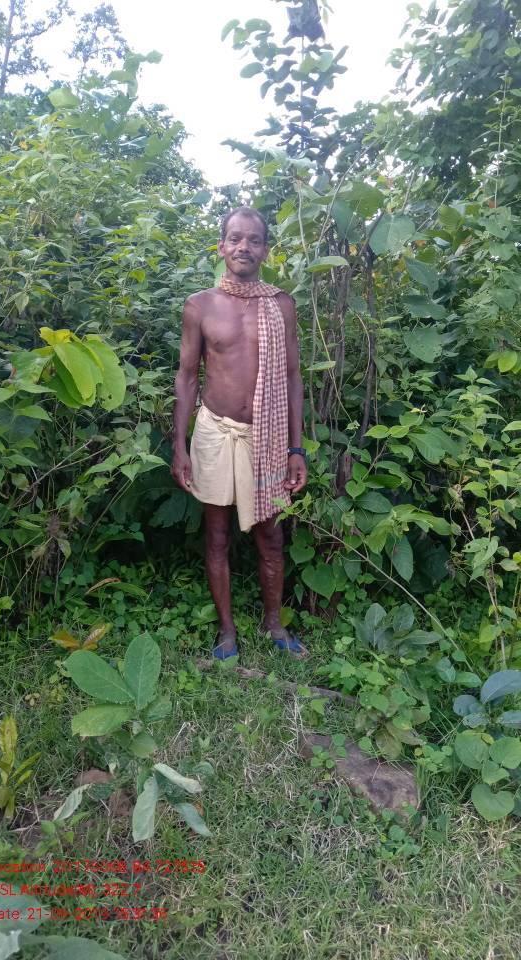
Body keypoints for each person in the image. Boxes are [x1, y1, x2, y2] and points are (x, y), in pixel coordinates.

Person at [171, 206, 308, 659]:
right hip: (215, 432)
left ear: (266, 250)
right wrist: (178, 445)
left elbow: (292, 375)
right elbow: (187, 376)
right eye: (235, 238)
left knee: (271, 536)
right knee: (217, 536)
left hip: (267, 438)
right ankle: (227, 631)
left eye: (254, 239)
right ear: (221, 247)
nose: (243, 247)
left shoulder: (281, 304)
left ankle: (274, 624)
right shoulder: (200, 305)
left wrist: (296, 448)